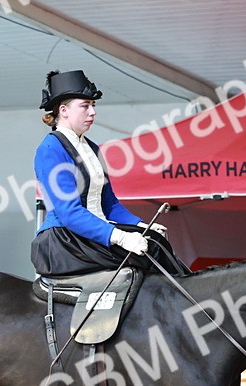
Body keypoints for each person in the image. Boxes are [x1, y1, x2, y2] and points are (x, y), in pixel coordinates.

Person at [31, 70, 188, 278]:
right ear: (64, 110)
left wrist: (140, 225)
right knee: (151, 252)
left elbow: (110, 204)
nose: (93, 112)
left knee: (155, 240)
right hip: (64, 240)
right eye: (85, 106)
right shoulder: (51, 148)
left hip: (93, 233)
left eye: (93, 106)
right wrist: (120, 237)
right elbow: (69, 212)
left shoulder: (93, 149)